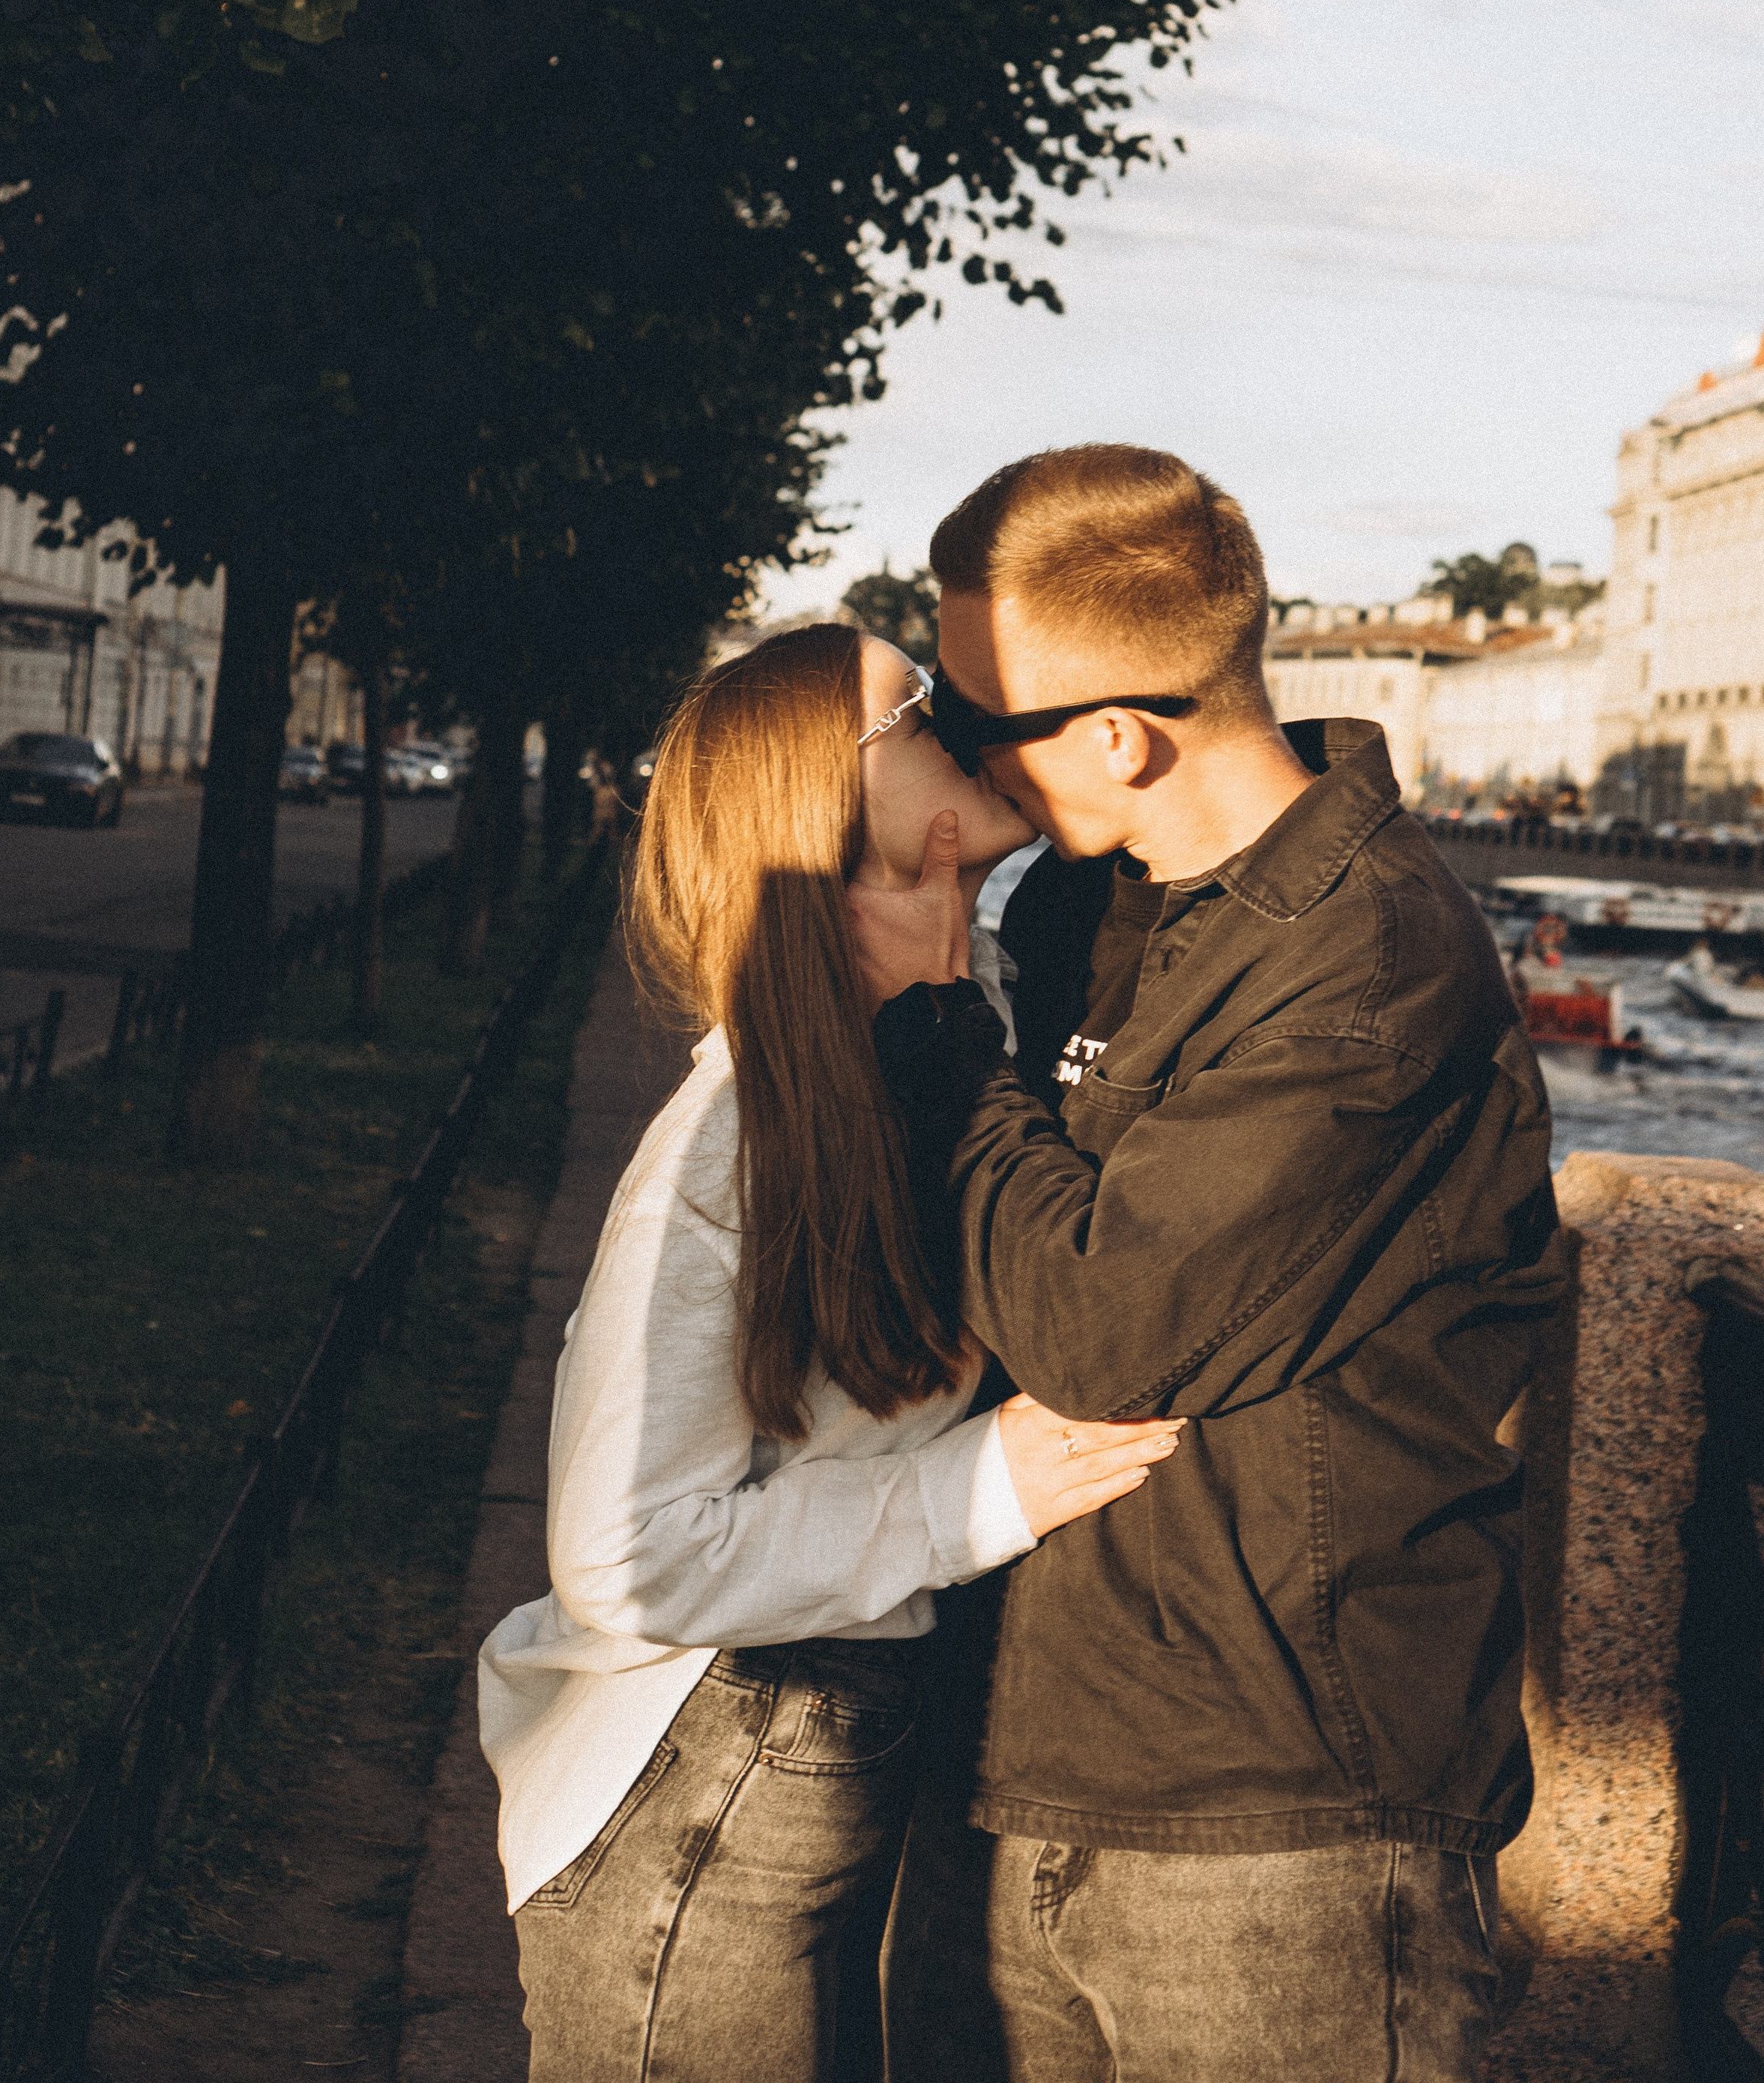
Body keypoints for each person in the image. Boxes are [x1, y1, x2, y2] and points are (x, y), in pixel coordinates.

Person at [849, 445, 1566, 2083]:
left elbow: (1104, 1323)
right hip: (1027, 1750)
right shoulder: (1080, 907)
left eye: (972, 721)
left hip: (1283, 1821)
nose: (958, 758)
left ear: (1115, 736)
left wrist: (936, 1037)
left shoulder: (1369, 962)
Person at [478, 622, 1185, 2082]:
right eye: (921, 711)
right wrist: (973, 1490)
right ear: (829, 803)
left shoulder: (970, 1017)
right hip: (707, 1765)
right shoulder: (738, 1130)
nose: (970, 720)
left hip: (818, 1746)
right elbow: (620, 1552)